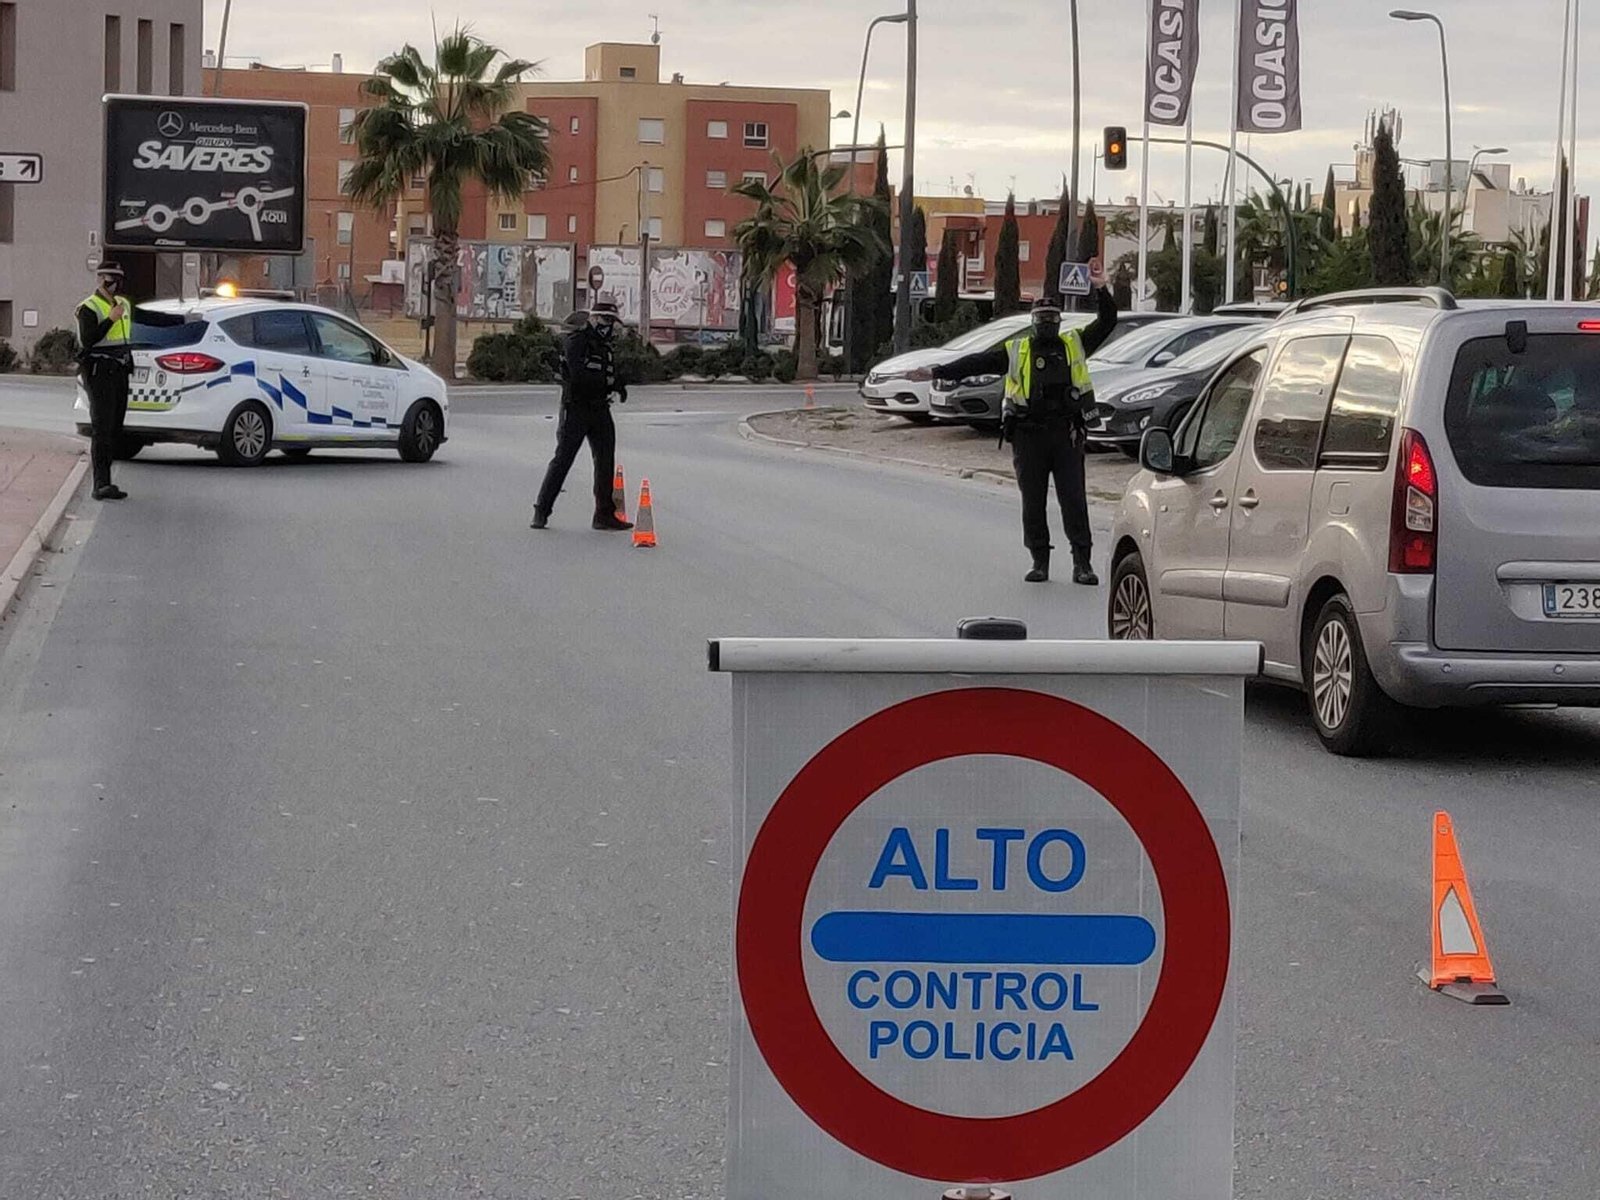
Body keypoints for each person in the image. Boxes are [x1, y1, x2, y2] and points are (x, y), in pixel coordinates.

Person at [932, 266, 1116, 584]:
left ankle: (1082, 563)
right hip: (1028, 436)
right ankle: (1039, 561)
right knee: (1033, 503)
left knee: (1074, 500)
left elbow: (1108, 322)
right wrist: (938, 371)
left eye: (1052, 318)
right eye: (1042, 318)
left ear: (1059, 321)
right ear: (1033, 321)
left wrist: (1101, 289)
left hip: (1066, 433)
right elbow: (979, 362)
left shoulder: (1075, 343)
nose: (1047, 323)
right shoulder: (1017, 350)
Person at [75, 262, 187, 501]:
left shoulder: (123, 304)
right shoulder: (88, 307)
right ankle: (101, 484)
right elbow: (88, 339)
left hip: (119, 369)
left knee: (115, 427)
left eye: (118, 278)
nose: (115, 282)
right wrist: (110, 320)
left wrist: (185, 321)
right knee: (102, 428)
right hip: (99, 371)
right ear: (99, 279)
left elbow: (149, 318)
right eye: (110, 277)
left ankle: (107, 482)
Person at [531, 295, 634, 531]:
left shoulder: (605, 348)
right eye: (605, 320)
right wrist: (602, 382)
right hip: (576, 408)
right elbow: (577, 375)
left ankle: (604, 515)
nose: (609, 327)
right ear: (594, 318)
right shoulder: (577, 341)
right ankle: (541, 511)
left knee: (605, 460)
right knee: (563, 460)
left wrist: (617, 384)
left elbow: (605, 375)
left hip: (599, 408)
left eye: (613, 322)